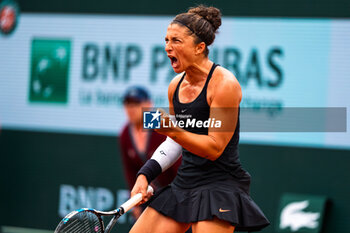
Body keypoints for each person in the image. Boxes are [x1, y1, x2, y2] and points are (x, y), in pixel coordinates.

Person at [129, 5, 270, 233]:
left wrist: (172, 130)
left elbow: (214, 148)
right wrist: (146, 174)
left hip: (220, 185)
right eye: (166, 40)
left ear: (199, 47)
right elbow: (175, 143)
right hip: (186, 182)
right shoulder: (175, 86)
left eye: (176, 40)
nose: (167, 47)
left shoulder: (225, 84)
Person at [119, 86, 181, 219]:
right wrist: (135, 203)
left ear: (149, 104)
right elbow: (130, 172)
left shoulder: (160, 123)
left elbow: (178, 161)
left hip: (176, 194)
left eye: (136, 103)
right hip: (147, 196)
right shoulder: (125, 133)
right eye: (128, 104)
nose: (131, 109)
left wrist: (180, 196)